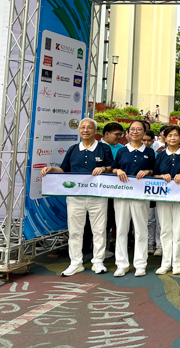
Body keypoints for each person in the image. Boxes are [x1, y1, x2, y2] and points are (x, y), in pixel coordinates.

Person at [40, 118, 113, 276]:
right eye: (82, 127)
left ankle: (98, 261)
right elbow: (64, 170)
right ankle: (75, 262)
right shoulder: (73, 149)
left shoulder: (103, 148)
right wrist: (51, 168)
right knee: (75, 231)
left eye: (89, 128)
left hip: (98, 195)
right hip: (75, 196)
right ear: (79, 130)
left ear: (95, 131)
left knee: (99, 230)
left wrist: (104, 168)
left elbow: (112, 168)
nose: (85, 130)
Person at [111, 120, 155, 277]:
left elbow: (154, 170)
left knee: (141, 229)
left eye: (139, 129)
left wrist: (147, 171)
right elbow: (114, 166)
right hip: (122, 194)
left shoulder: (149, 152)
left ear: (144, 133)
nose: (135, 132)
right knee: (122, 229)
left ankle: (140, 263)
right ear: (128, 133)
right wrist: (117, 171)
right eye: (132, 129)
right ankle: (121, 264)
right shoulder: (122, 151)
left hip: (141, 194)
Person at [154, 125, 180, 275]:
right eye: (169, 135)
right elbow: (153, 174)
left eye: (175, 135)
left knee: (179, 230)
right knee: (165, 230)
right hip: (163, 197)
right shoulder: (160, 155)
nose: (172, 138)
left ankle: (177, 263)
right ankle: (166, 262)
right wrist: (161, 176)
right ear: (165, 138)